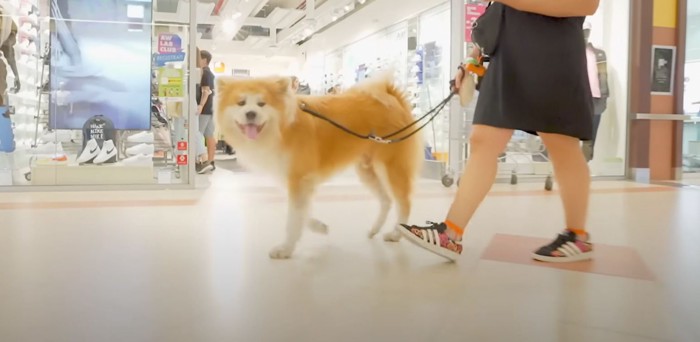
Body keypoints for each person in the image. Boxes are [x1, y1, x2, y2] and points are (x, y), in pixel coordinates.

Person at [398, 0, 601, 263]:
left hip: (554, 57)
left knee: (562, 144)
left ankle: (578, 236)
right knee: (482, 140)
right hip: (508, 61)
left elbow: (586, 4)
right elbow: (499, 15)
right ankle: (451, 233)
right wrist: (472, 60)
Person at [195, 49, 216, 174]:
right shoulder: (211, 73)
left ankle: (202, 161)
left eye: (199, 58)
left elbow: (206, 91)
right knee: (209, 135)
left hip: (205, 109)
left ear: (204, 60)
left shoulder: (205, 73)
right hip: (211, 109)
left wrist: (201, 105)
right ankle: (211, 161)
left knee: (197, 133)